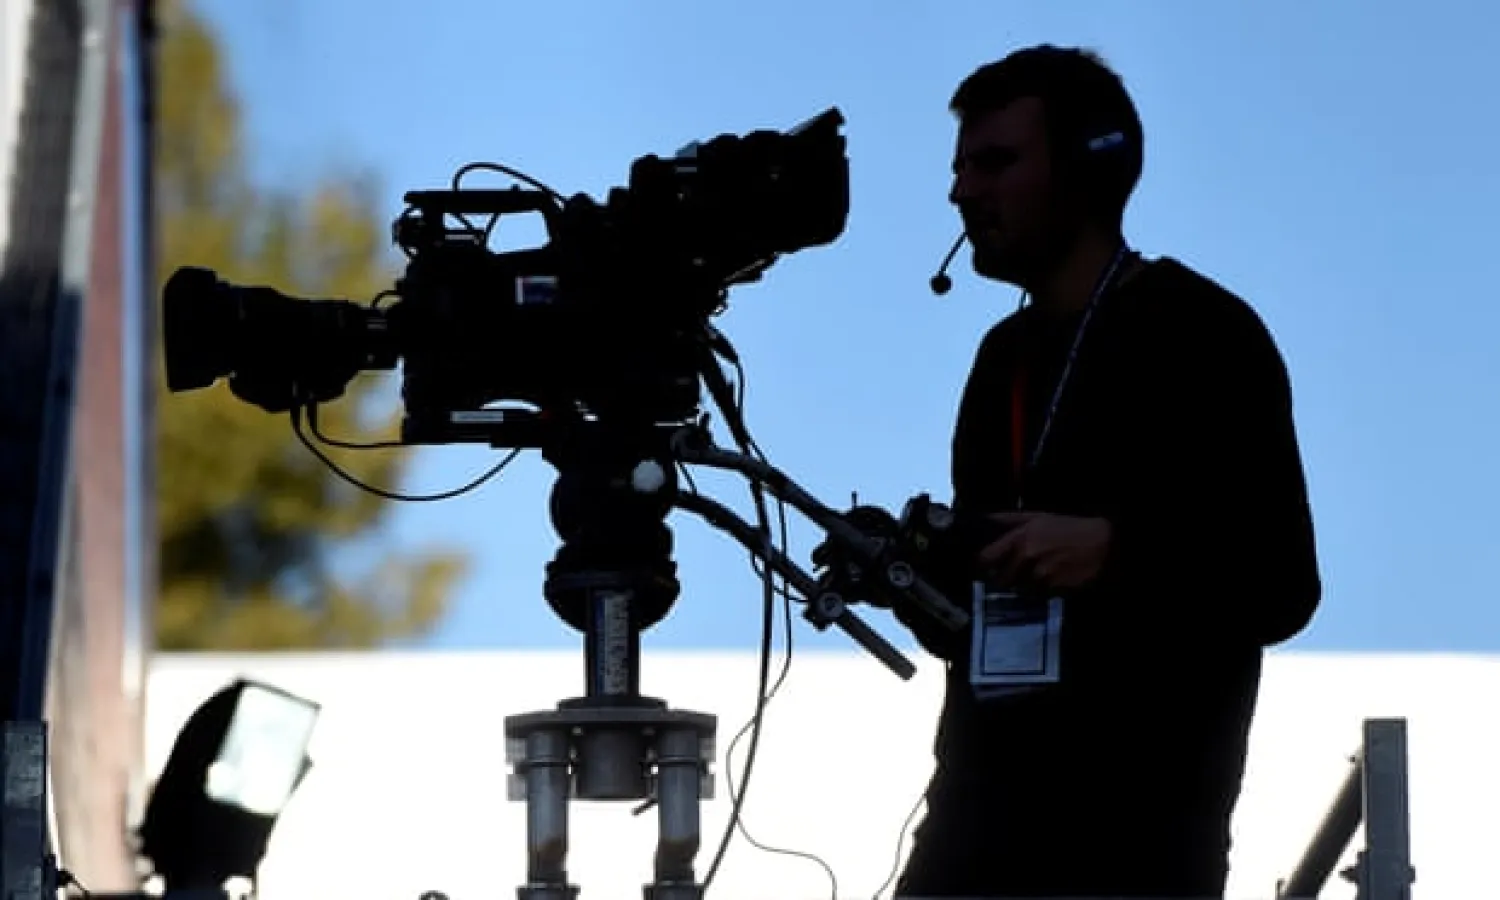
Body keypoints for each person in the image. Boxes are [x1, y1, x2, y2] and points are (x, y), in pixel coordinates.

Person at [892, 46, 1323, 898]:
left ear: (1092, 166)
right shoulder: (999, 360)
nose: (963, 192)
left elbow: (1282, 584)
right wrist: (915, 573)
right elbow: (981, 623)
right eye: (960, 166)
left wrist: (1112, 553)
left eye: (995, 162)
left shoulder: (1203, 332)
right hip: (973, 839)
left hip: (1134, 849)